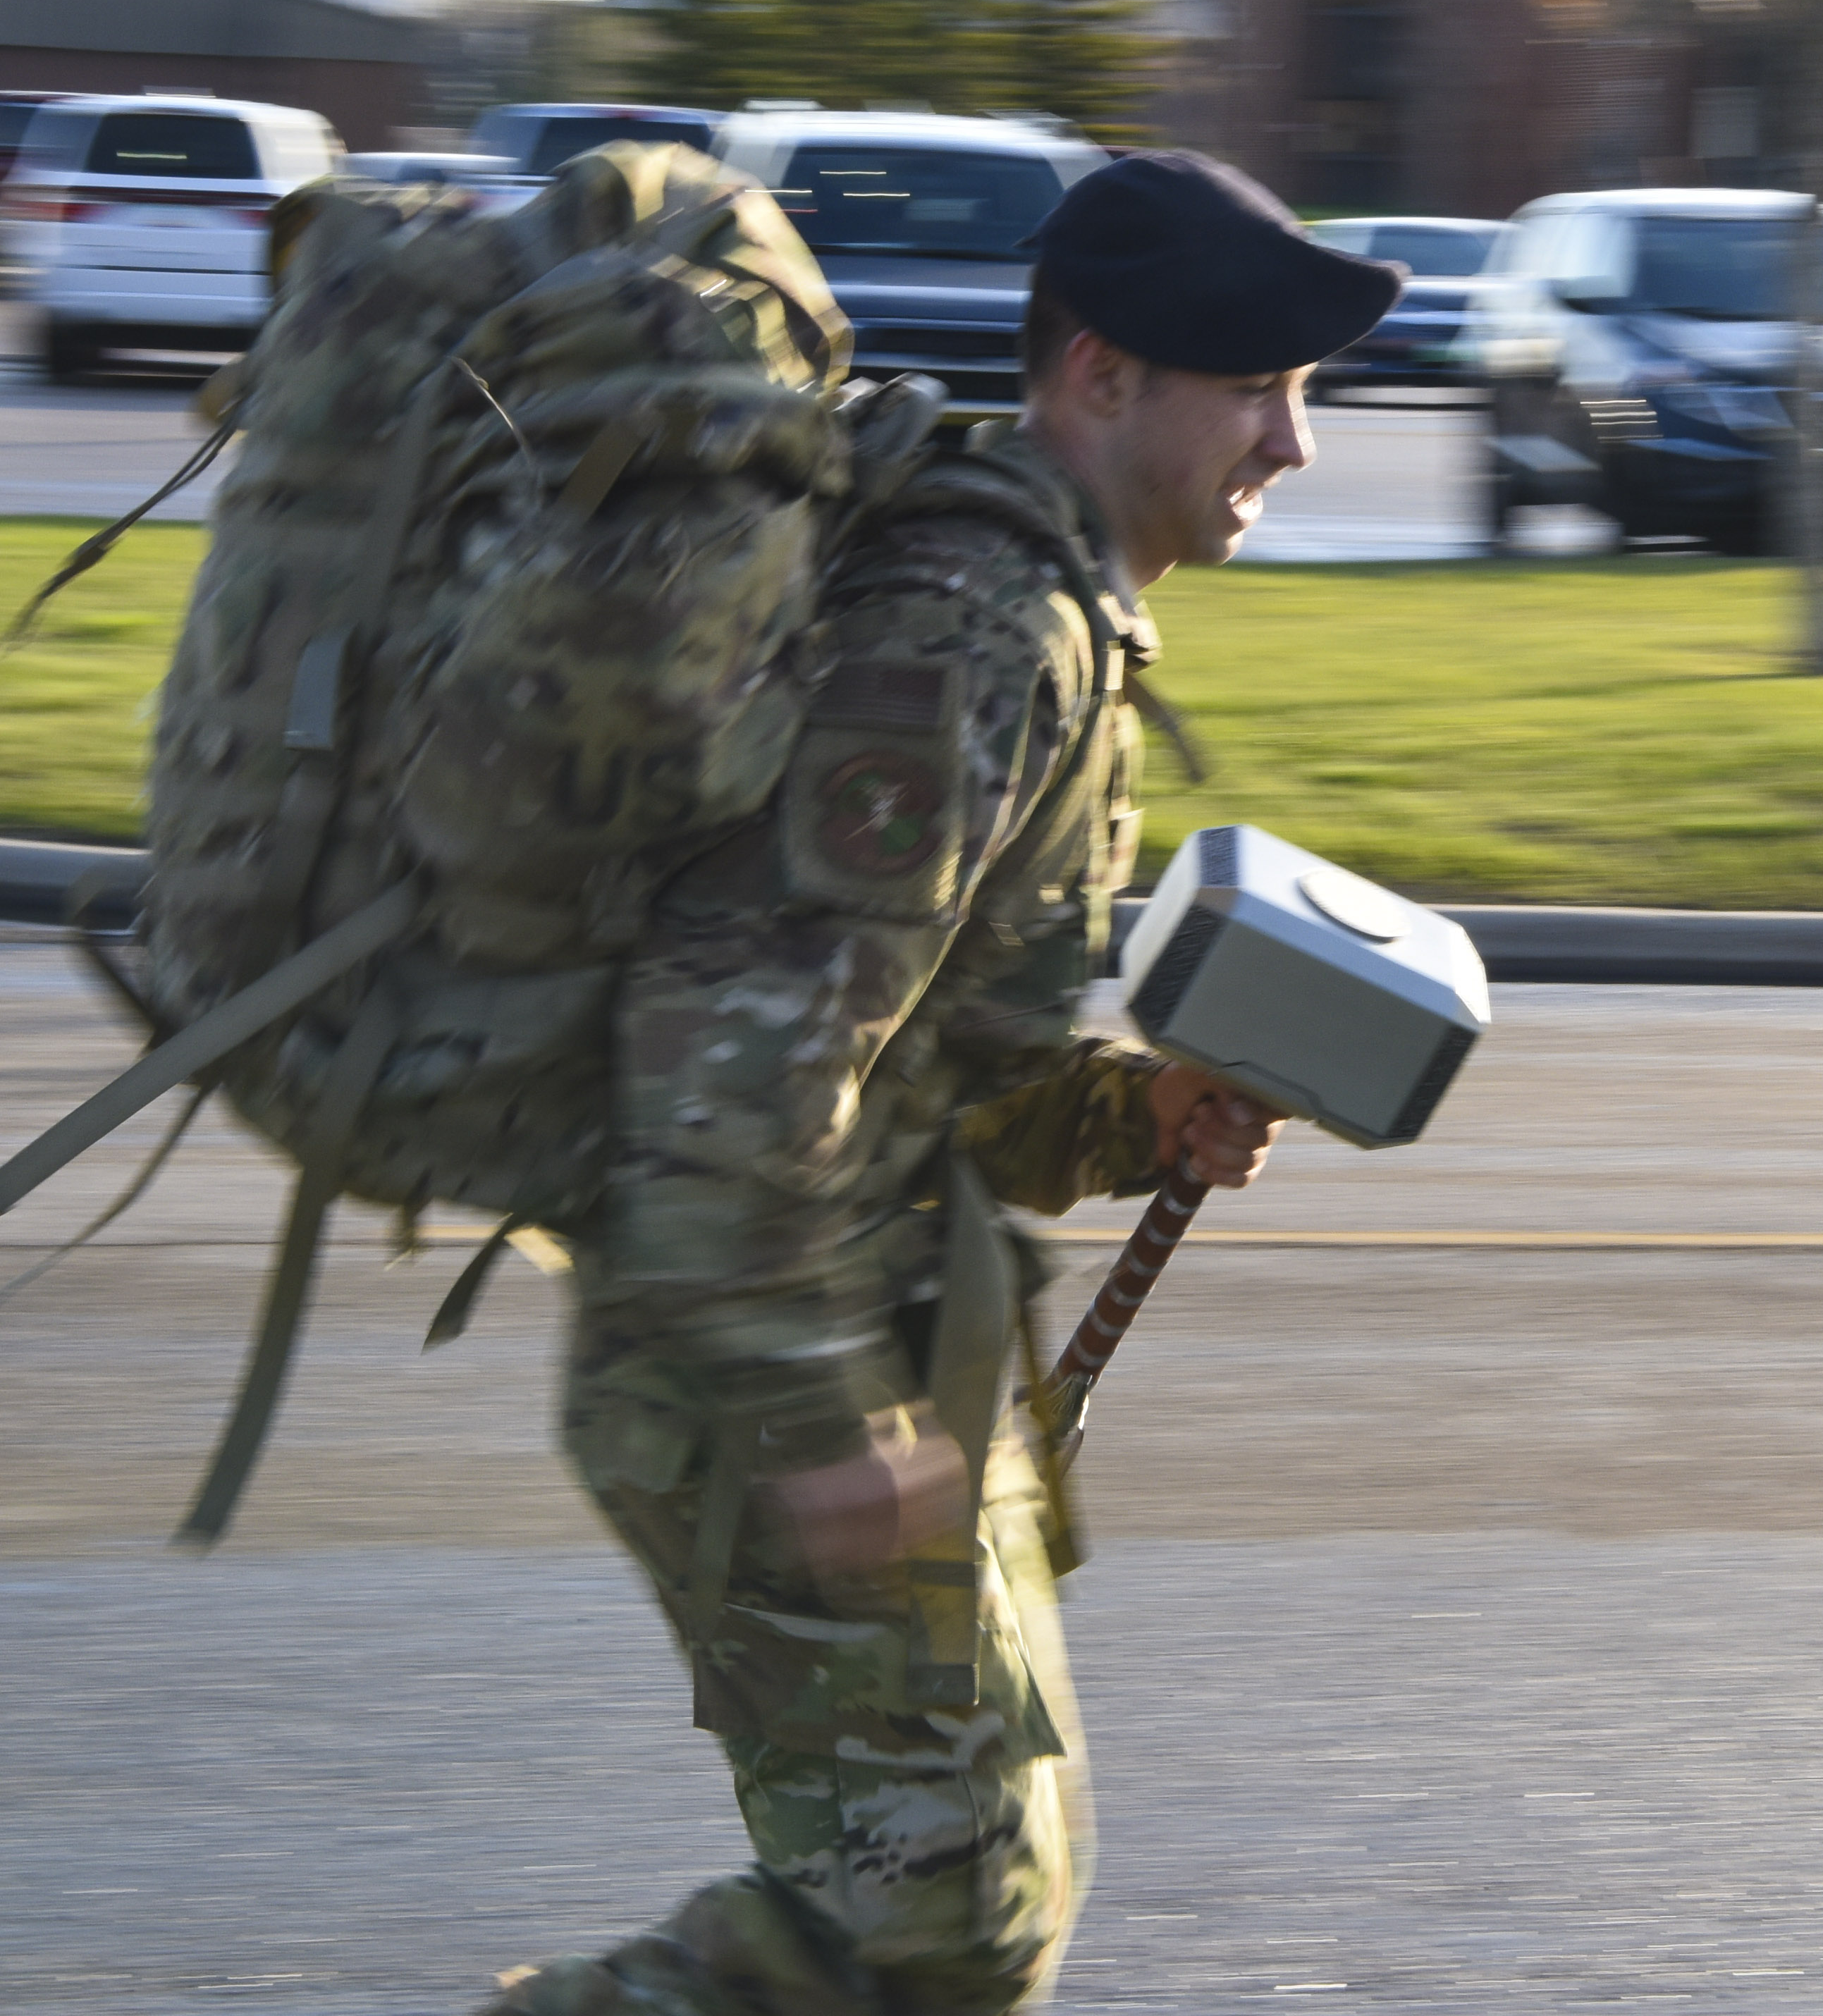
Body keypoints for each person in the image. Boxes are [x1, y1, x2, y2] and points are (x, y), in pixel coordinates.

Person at [482, 152, 1404, 2016]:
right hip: (760, 1359)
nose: (1293, 444)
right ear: (1101, 376)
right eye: (1258, 383)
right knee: (935, 1914)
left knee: (987, 1884)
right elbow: (725, 1066)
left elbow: (936, 1052)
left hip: (877, 1339)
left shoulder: (1052, 617)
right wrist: (822, 1419)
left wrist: (1126, 1115)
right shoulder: (975, 638)